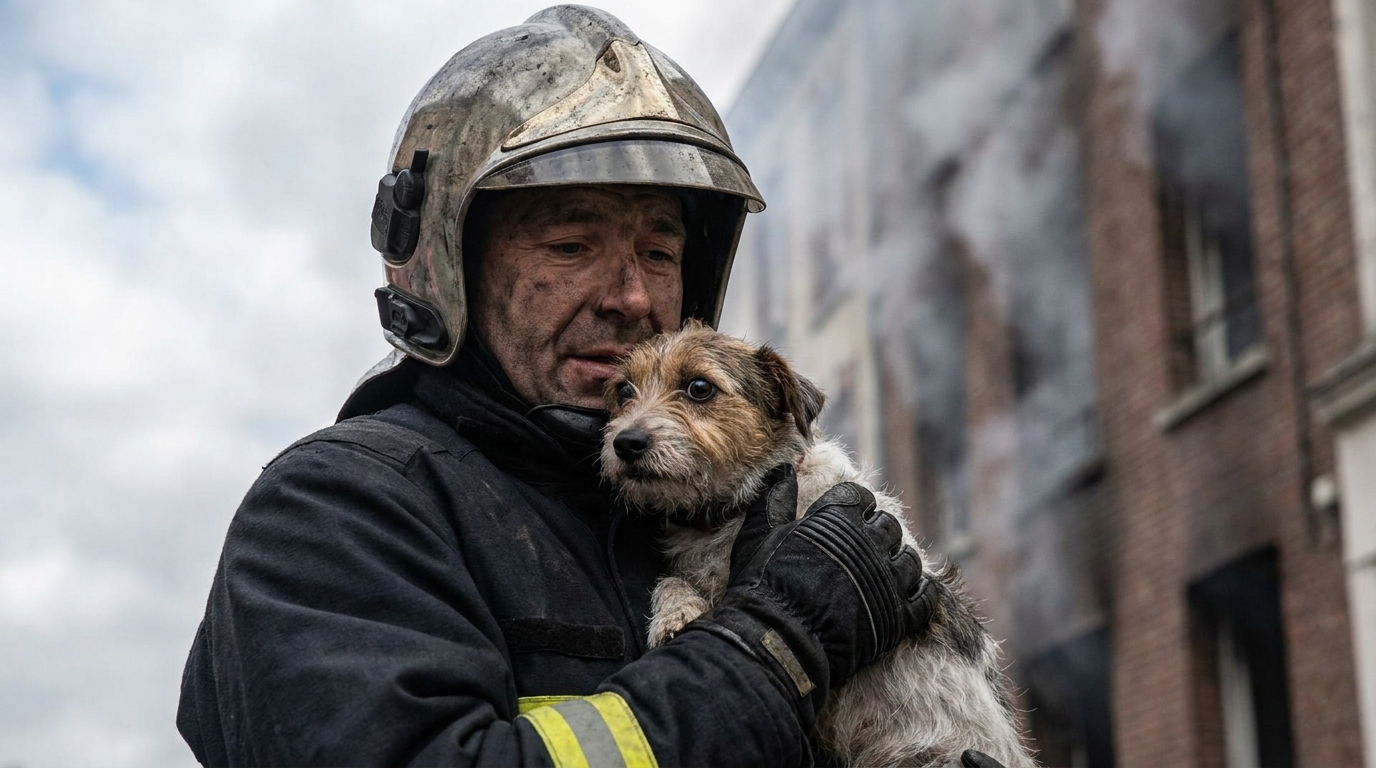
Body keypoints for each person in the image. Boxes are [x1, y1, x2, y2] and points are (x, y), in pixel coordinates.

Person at [176, 7, 1001, 767]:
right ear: (449, 268)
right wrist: (774, 643)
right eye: (571, 244)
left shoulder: (695, 519)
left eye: (659, 252)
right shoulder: (337, 512)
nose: (633, 297)